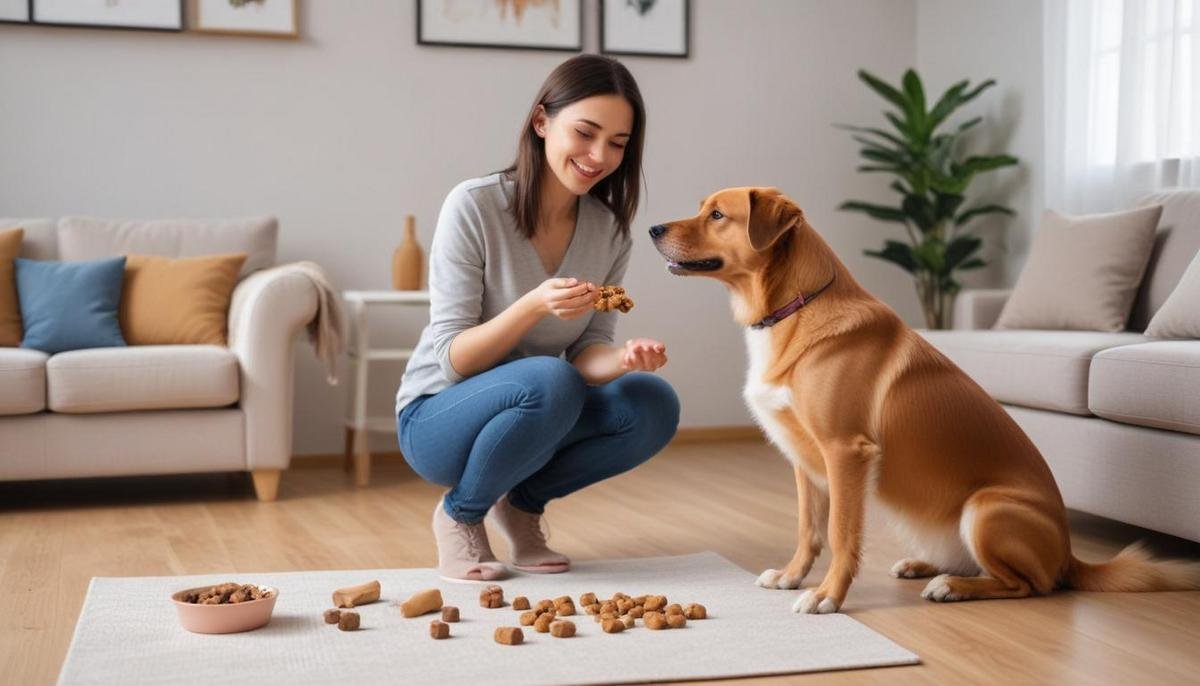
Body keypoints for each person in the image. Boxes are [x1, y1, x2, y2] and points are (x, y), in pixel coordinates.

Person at [395, 54, 680, 581]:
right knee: (552, 378)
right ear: (542, 121)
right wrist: (532, 305)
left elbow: (587, 352)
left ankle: (522, 505)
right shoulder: (474, 206)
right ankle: (461, 513)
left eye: (617, 143)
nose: (599, 156)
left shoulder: (610, 231)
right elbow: (453, 361)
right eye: (586, 133)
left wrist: (621, 359)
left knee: (651, 402)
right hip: (437, 418)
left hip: (542, 410)